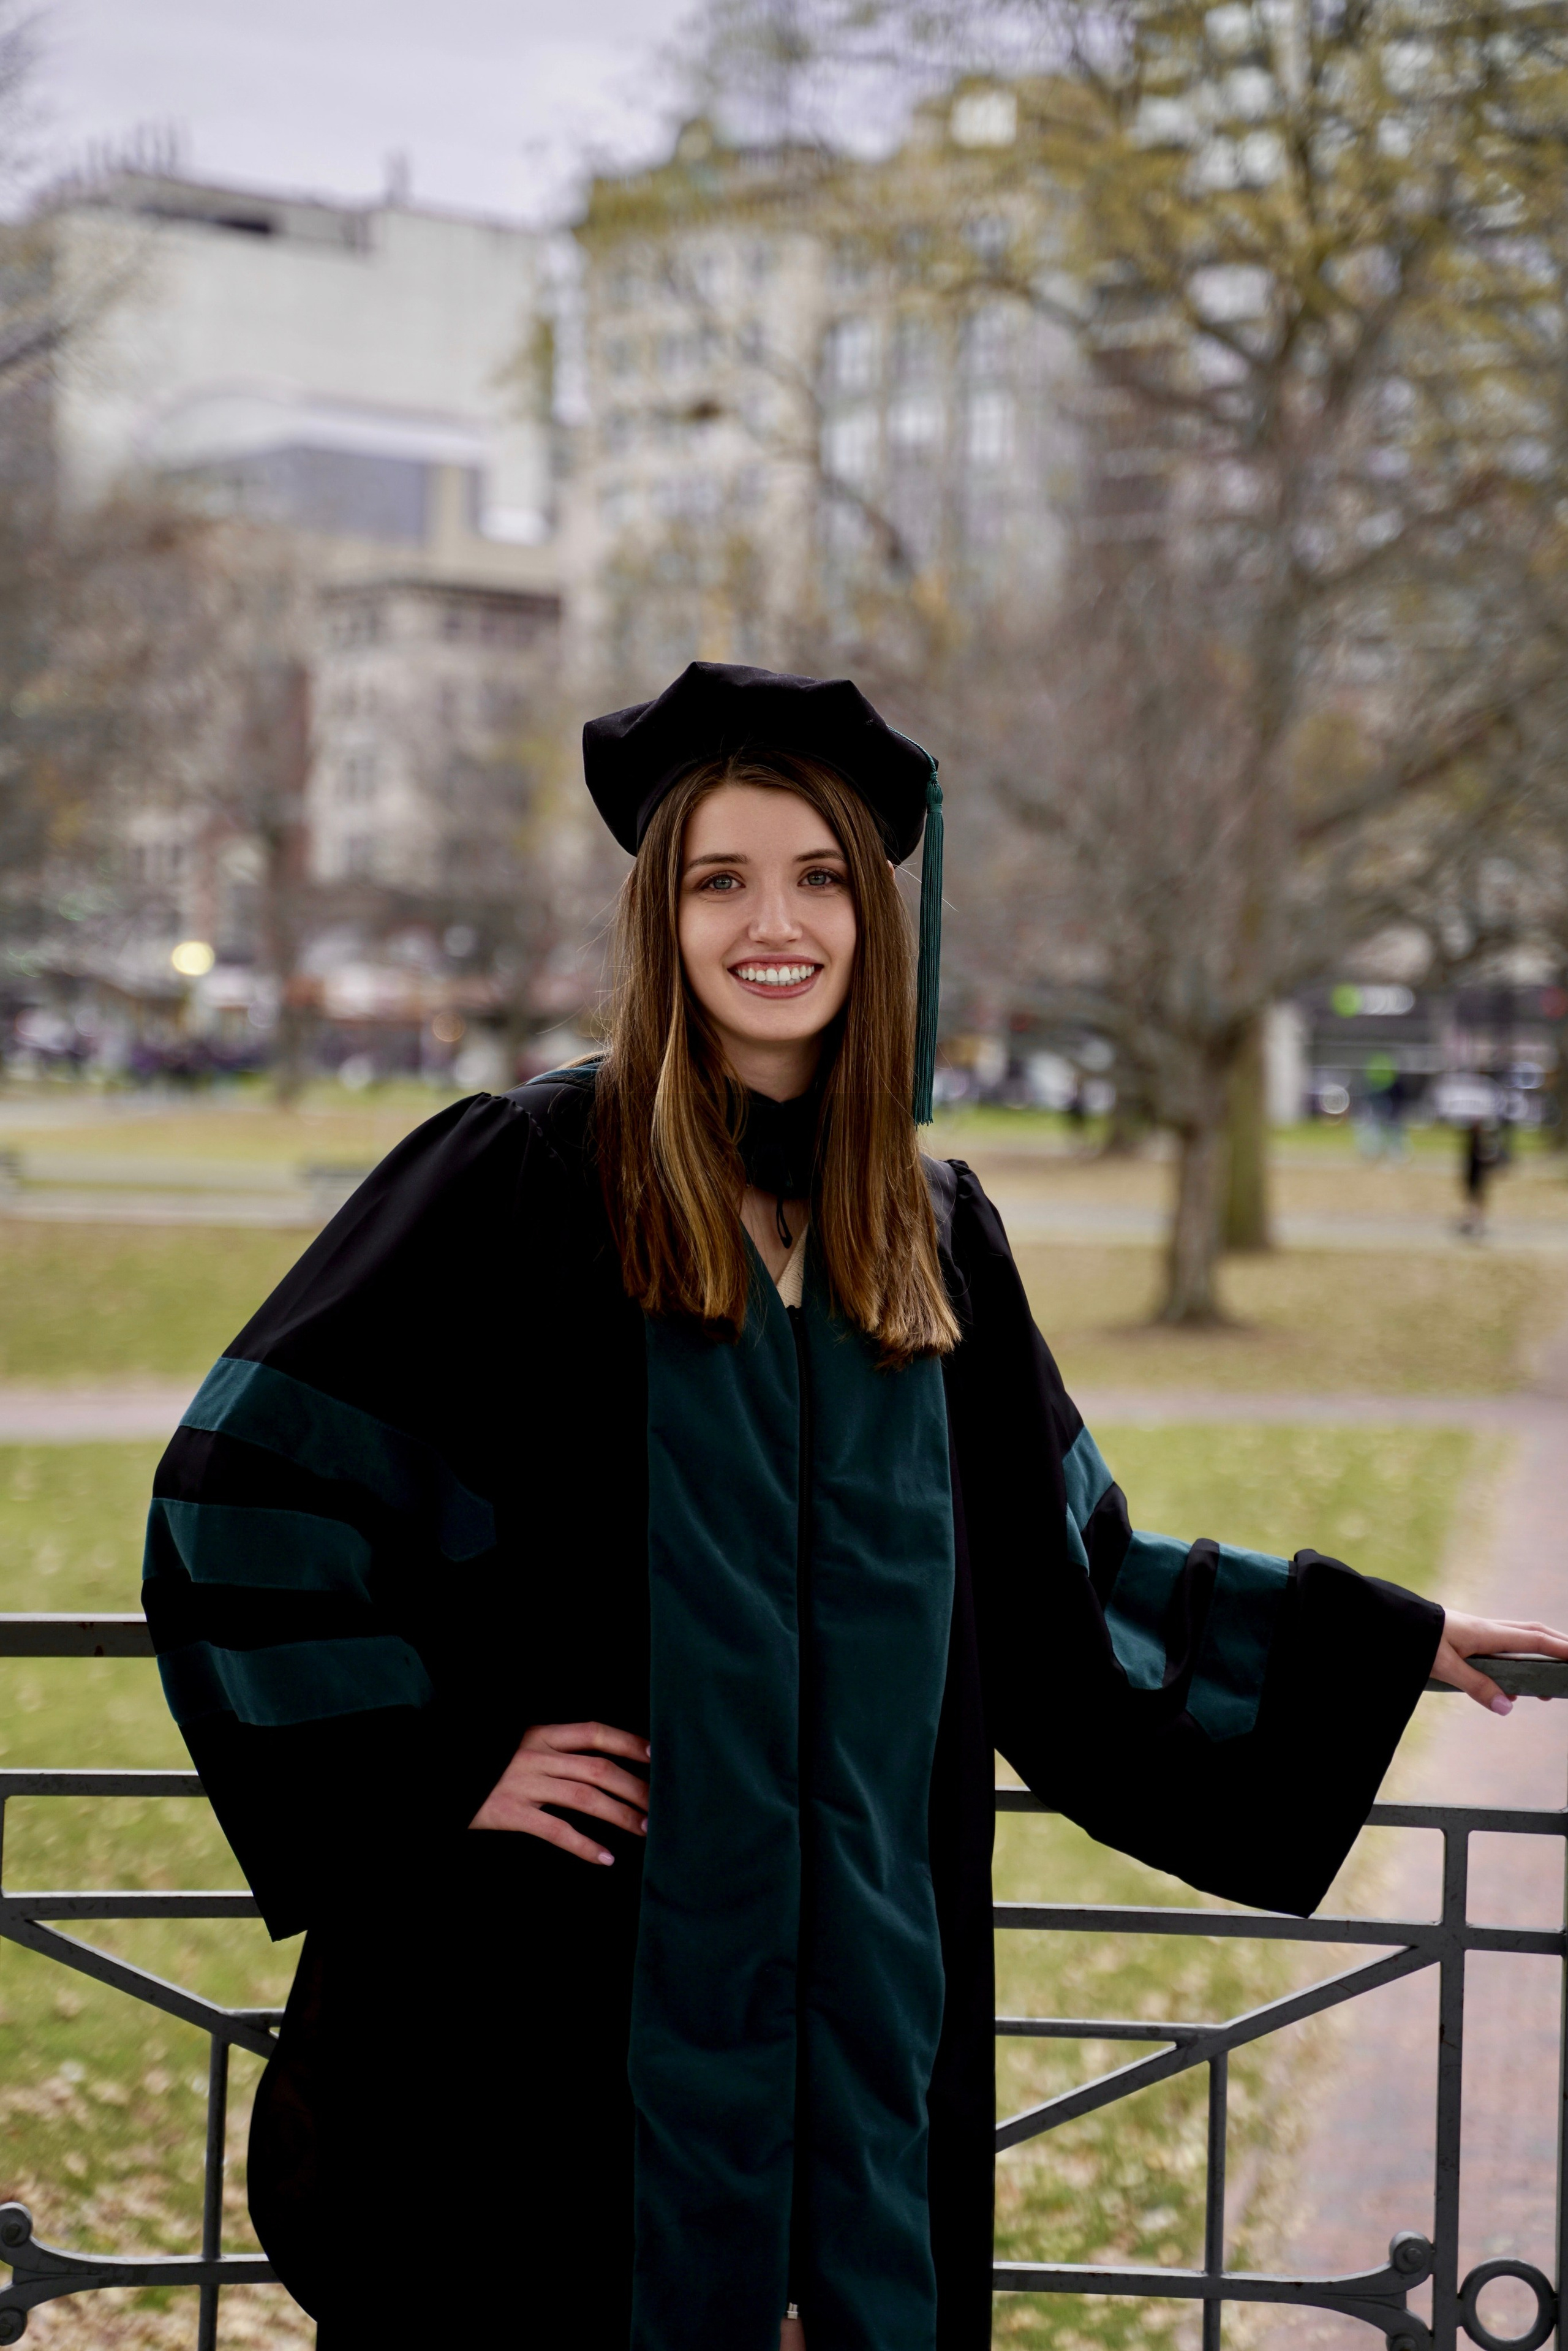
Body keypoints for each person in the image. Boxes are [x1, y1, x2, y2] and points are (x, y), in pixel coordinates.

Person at [141, 663, 1566, 2351]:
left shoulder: (932, 1229)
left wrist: (1380, 1638)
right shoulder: (522, 1177)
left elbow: (1068, 1583)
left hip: (859, 1990)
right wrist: (446, 1756)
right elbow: (241, 1490)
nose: (776, 922)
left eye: (821, 877)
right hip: (567, 1996)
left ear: (876, 921)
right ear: (660, 916)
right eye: (721, 879)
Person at [1458, 1112, 1509, 1238]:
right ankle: (1475, 1221)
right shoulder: (1476, 1141)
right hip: (1475, 1173)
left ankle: (1476, 1221)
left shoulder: (1482, 1141)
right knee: (1475, 1199)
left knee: (1477, 1199)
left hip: (1478, 1174)